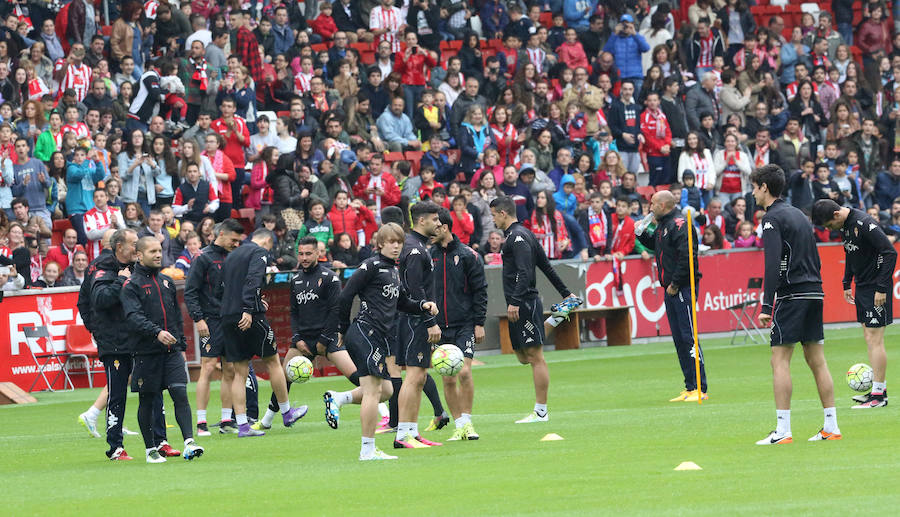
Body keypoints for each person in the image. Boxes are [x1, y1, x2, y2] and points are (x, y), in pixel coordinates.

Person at [751, 164, 841, 444]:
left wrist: (767, 306)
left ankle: (783, 430)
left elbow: (772, 263)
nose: (752, 192)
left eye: (754, 187)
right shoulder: (799, 215)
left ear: (764, 187)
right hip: (815, 292)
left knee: (779, 360)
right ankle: (831, 426)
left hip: (792, 295)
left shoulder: (771, 219)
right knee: (817, 360)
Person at [336, 222, 438, 460]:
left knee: (388, 390)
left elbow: (402, 302)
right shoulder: (370, 265)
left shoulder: (393, 270)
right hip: (365, 333)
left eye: (399, 242)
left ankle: (340, 398)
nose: (396, 246)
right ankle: (368, 450)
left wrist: (422, 305)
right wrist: (342, 328)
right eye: (391, 242)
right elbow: (345, 296)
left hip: (379, 337)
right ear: (380, 243)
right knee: (373, 392)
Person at [489, 196, 578, 423]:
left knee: (535, 356)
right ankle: (559, 314)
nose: (492, 220)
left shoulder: (517, 238)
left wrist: (515, 301)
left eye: (493, 215)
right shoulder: (524, 233)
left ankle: (541, 412)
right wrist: (566, 293)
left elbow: (526, 273)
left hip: (524, 303)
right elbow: (546, 266)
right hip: (522, 303)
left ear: (502, 213)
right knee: (521, 356)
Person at [264, 236, 365, 430]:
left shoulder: (330, 278)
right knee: (283, 378)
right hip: (303, 341)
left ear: (319, 253)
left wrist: (324, 340)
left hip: (328, 339)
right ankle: (267, 420)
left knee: (357, 376)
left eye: (308, 253)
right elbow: (293, 312)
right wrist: (297, 338)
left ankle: (383, 412)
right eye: (300, 254)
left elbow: (335, 311)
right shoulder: (295, 280)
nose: (304, 257)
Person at [120, 236, 204, 463]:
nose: (158, 255)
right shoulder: (131, 285)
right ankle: (150, 450)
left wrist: (181, 344)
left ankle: (189, 442)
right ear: (139, 255)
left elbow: (176, 316)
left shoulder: (167, 282)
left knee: (179, 393)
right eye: (152, 251)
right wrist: (156, 332)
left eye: (159, 251)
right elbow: (133, 317)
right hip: (146, 353)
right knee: (148, 400)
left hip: (172, 352)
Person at [219, 229, 307, 437]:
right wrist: (250, 308)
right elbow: (254, 279)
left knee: (240, 372)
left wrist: (253, 302)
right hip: (249, 316)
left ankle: (242, 426)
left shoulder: (231, 255)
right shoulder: (258, 252)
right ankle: (287, 413)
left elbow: (222, 287)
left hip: (227, 316)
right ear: (267, 241)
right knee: (273, 361)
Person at [812, 199, 896, 409]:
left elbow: (890, 252)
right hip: (862, 286)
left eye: (830, 225)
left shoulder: (865, 223)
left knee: (875, 339)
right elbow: (850, 253)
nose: (830, 229)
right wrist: (846, 281)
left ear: (837, 215)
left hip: (875, 287)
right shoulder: (846, 226)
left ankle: (879, 396)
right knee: (869, 337)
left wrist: (881, 288)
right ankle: (878, 390)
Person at [635, 191, 708, 402]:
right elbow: (658, 246)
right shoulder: (664, 225)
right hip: (671, 288)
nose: (650, 208)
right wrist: (641, 233)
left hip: (682, 287)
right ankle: (690, 386)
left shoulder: (679, 224)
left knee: (689, 337)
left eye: (652, 204)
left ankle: (700, 388)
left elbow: (689, 257)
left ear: (664, 205)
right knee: (679, 339)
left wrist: (676, 283)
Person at [184, 219, 246, 436]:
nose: (236, 244)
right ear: (221, 235)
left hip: (231, 320)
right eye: (234, 240)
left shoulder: (235, 256)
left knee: (230, 369)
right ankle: (201, 422)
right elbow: (190, 291)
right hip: (210, 320)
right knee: (208, 367)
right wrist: (198, 319)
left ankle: (226, 419)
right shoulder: (202, 257)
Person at [429, 208, 487, 440]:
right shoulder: (428, 256)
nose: (431, 231)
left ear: (444, 227)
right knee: (448, 377)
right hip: (438, 327)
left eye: (435, 226)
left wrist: (479, 323)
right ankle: (460, 424)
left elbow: (480, 291)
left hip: (464, 324)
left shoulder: (468, 256)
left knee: (463, 372)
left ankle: (468, 422)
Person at [394, 202, 447, 448]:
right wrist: (430, 322)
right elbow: (415, 291)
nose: (439, 223)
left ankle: (411, 433)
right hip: (416, 321)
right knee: (414, 377)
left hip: (414, 320)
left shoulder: (417, 247)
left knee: (419, 375)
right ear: (422, 221)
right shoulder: (415, 250)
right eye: (435, 219)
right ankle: (403, 434)